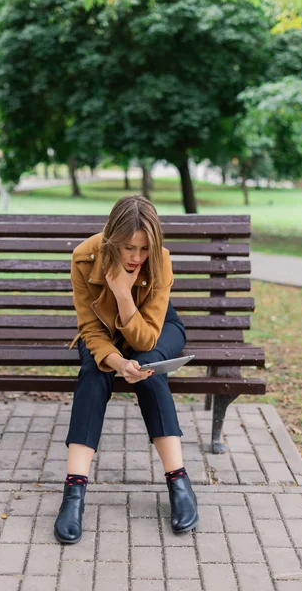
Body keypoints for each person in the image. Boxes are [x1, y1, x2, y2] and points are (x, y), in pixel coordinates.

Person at [54, 194, 199, 544]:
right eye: (128, 247)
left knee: (149, 366)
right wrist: (117, 362)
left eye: (144, 249)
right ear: (112, 239)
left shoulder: (160, 259)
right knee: (93, 373)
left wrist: (123, 295)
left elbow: (147, 338)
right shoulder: (85, 258)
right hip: (105, 334)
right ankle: (74, 492)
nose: (136, 257)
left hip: (157, 327)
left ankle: (179, 481)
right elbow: (90, 330)